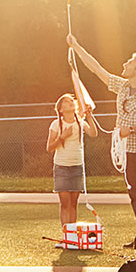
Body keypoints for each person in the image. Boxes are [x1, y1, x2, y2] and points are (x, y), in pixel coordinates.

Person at [68, 34, 136, 249]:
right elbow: (97, 69)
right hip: (127, 152)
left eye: (129, 63)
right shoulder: (122, 86)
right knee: (135, 195)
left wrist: (130, 129)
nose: (125, 64)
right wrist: (76, 46)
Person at [45, 92, 99, 227]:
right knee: (65, 203)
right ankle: (66, 235)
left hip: (77, 166)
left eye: (71, 101)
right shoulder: (56, 124)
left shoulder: (80, 122)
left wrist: (90, 116)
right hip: (61, 167)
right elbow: (49, 147)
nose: (70, 103)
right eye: (66, 102)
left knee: (74, 203)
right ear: (61, 109)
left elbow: (93, 133)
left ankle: (72, 235)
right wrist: (62, 137)